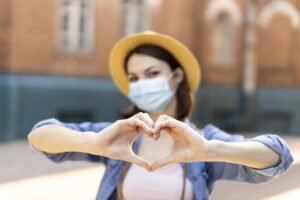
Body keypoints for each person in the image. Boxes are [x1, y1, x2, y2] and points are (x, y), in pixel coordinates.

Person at [28, 31, 293, 200]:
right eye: (134, 78)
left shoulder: (203, 142)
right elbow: (40, 136)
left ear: (176, 77)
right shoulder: (118, 136)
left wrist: (211, 149)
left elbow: (279, 156)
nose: (141, 83)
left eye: (152, 74)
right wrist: (92, 143)